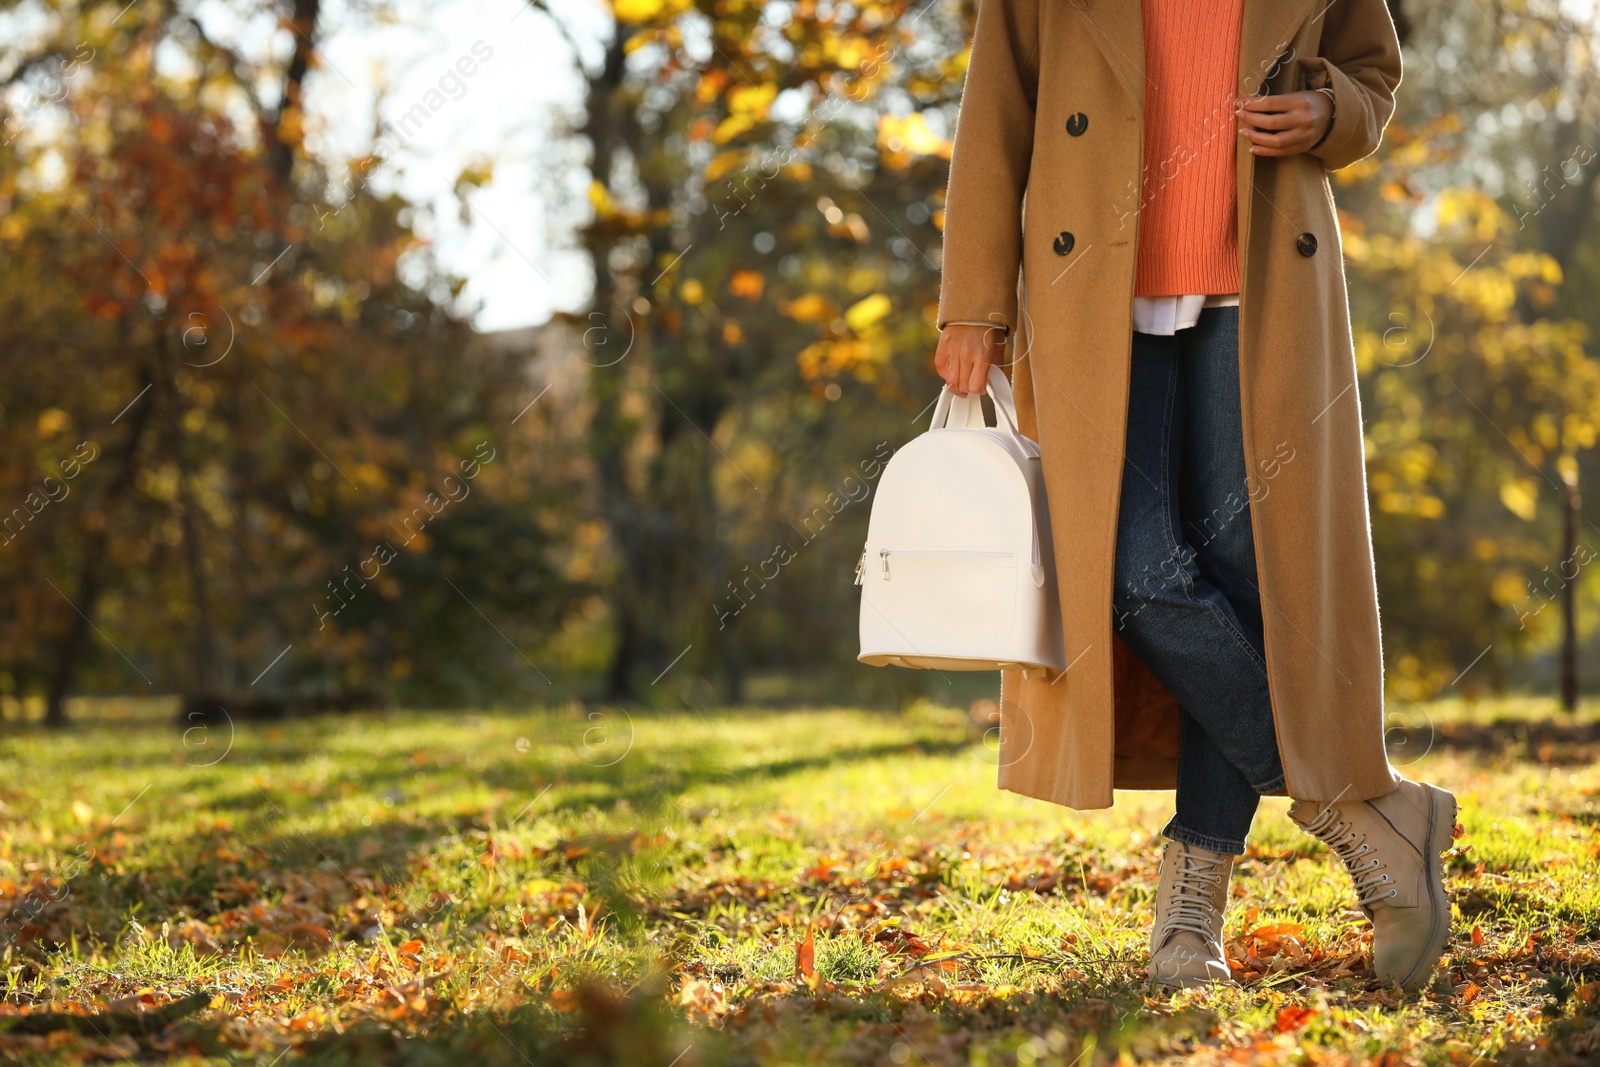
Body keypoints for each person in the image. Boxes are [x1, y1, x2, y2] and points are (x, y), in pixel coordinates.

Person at [933, 0, 1455, 991]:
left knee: (1241, 579)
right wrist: (973, 300)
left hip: (1258, 287)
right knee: (1128, 574)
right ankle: (1360, 808)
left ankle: (1191, 914)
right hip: (1091, 289)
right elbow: (994, 110)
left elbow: (1369, 77)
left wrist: (1327, 113)